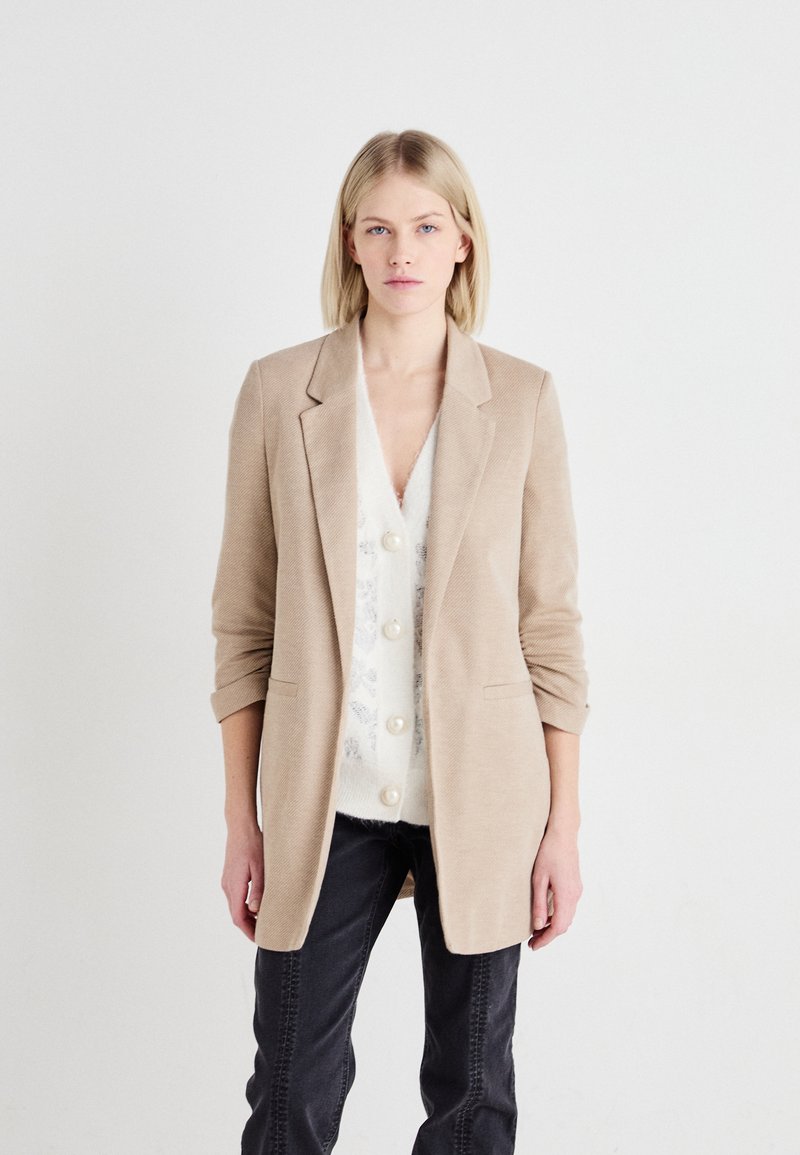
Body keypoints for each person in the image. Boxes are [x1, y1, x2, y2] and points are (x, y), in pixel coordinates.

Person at [210, 128, 590, 1154]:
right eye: (377, 229)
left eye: (425, 226)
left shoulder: (520, 399)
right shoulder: (279, 393)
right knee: (288, 1092)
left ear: (462, 239)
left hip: (484, 798)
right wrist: (243, 823)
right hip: (322, 799)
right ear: (349, 242)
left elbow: (549, 627)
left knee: (471, 1101)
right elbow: (244, 626)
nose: (401, 251)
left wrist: (560, 826)